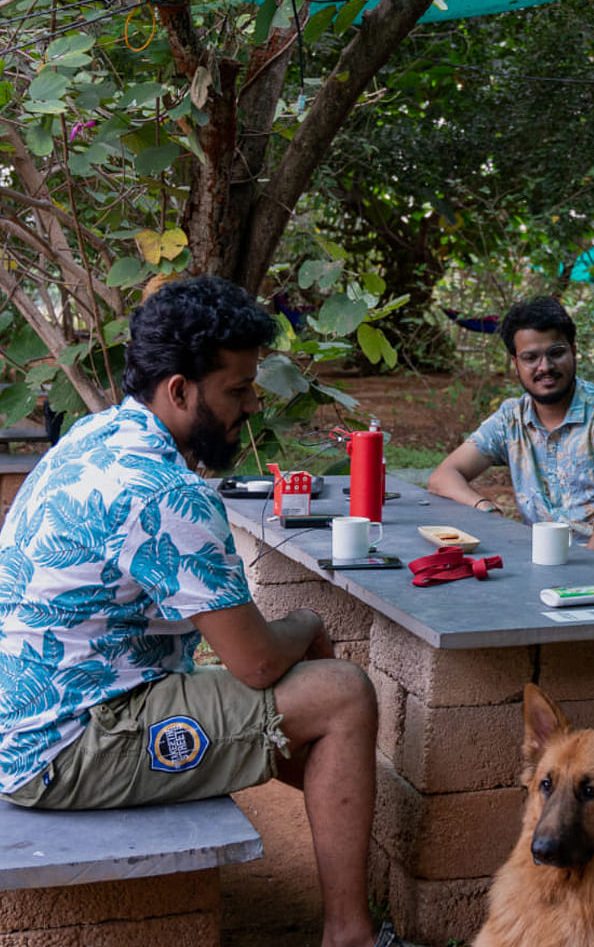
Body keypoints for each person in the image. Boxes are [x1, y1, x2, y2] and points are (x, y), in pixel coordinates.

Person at [0, 276, 406, 947]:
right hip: (68, 747)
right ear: (181, 390)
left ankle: (336, 829)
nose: (250, 406)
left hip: (28, 722)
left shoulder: (94, 435)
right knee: (340, 695)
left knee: (291, 699)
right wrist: (309, 625)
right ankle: (350, 935)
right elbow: (254, 662)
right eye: (237, 390)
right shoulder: (167, 492)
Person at [428, 295, 594, 559]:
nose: (545, 367)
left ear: (573, 351)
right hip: (548, 562)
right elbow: (443, 476)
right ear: (515, 363)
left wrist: (570, 580)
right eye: (531, 358)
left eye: (556, 353)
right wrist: (487, 509)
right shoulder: (511, 418)